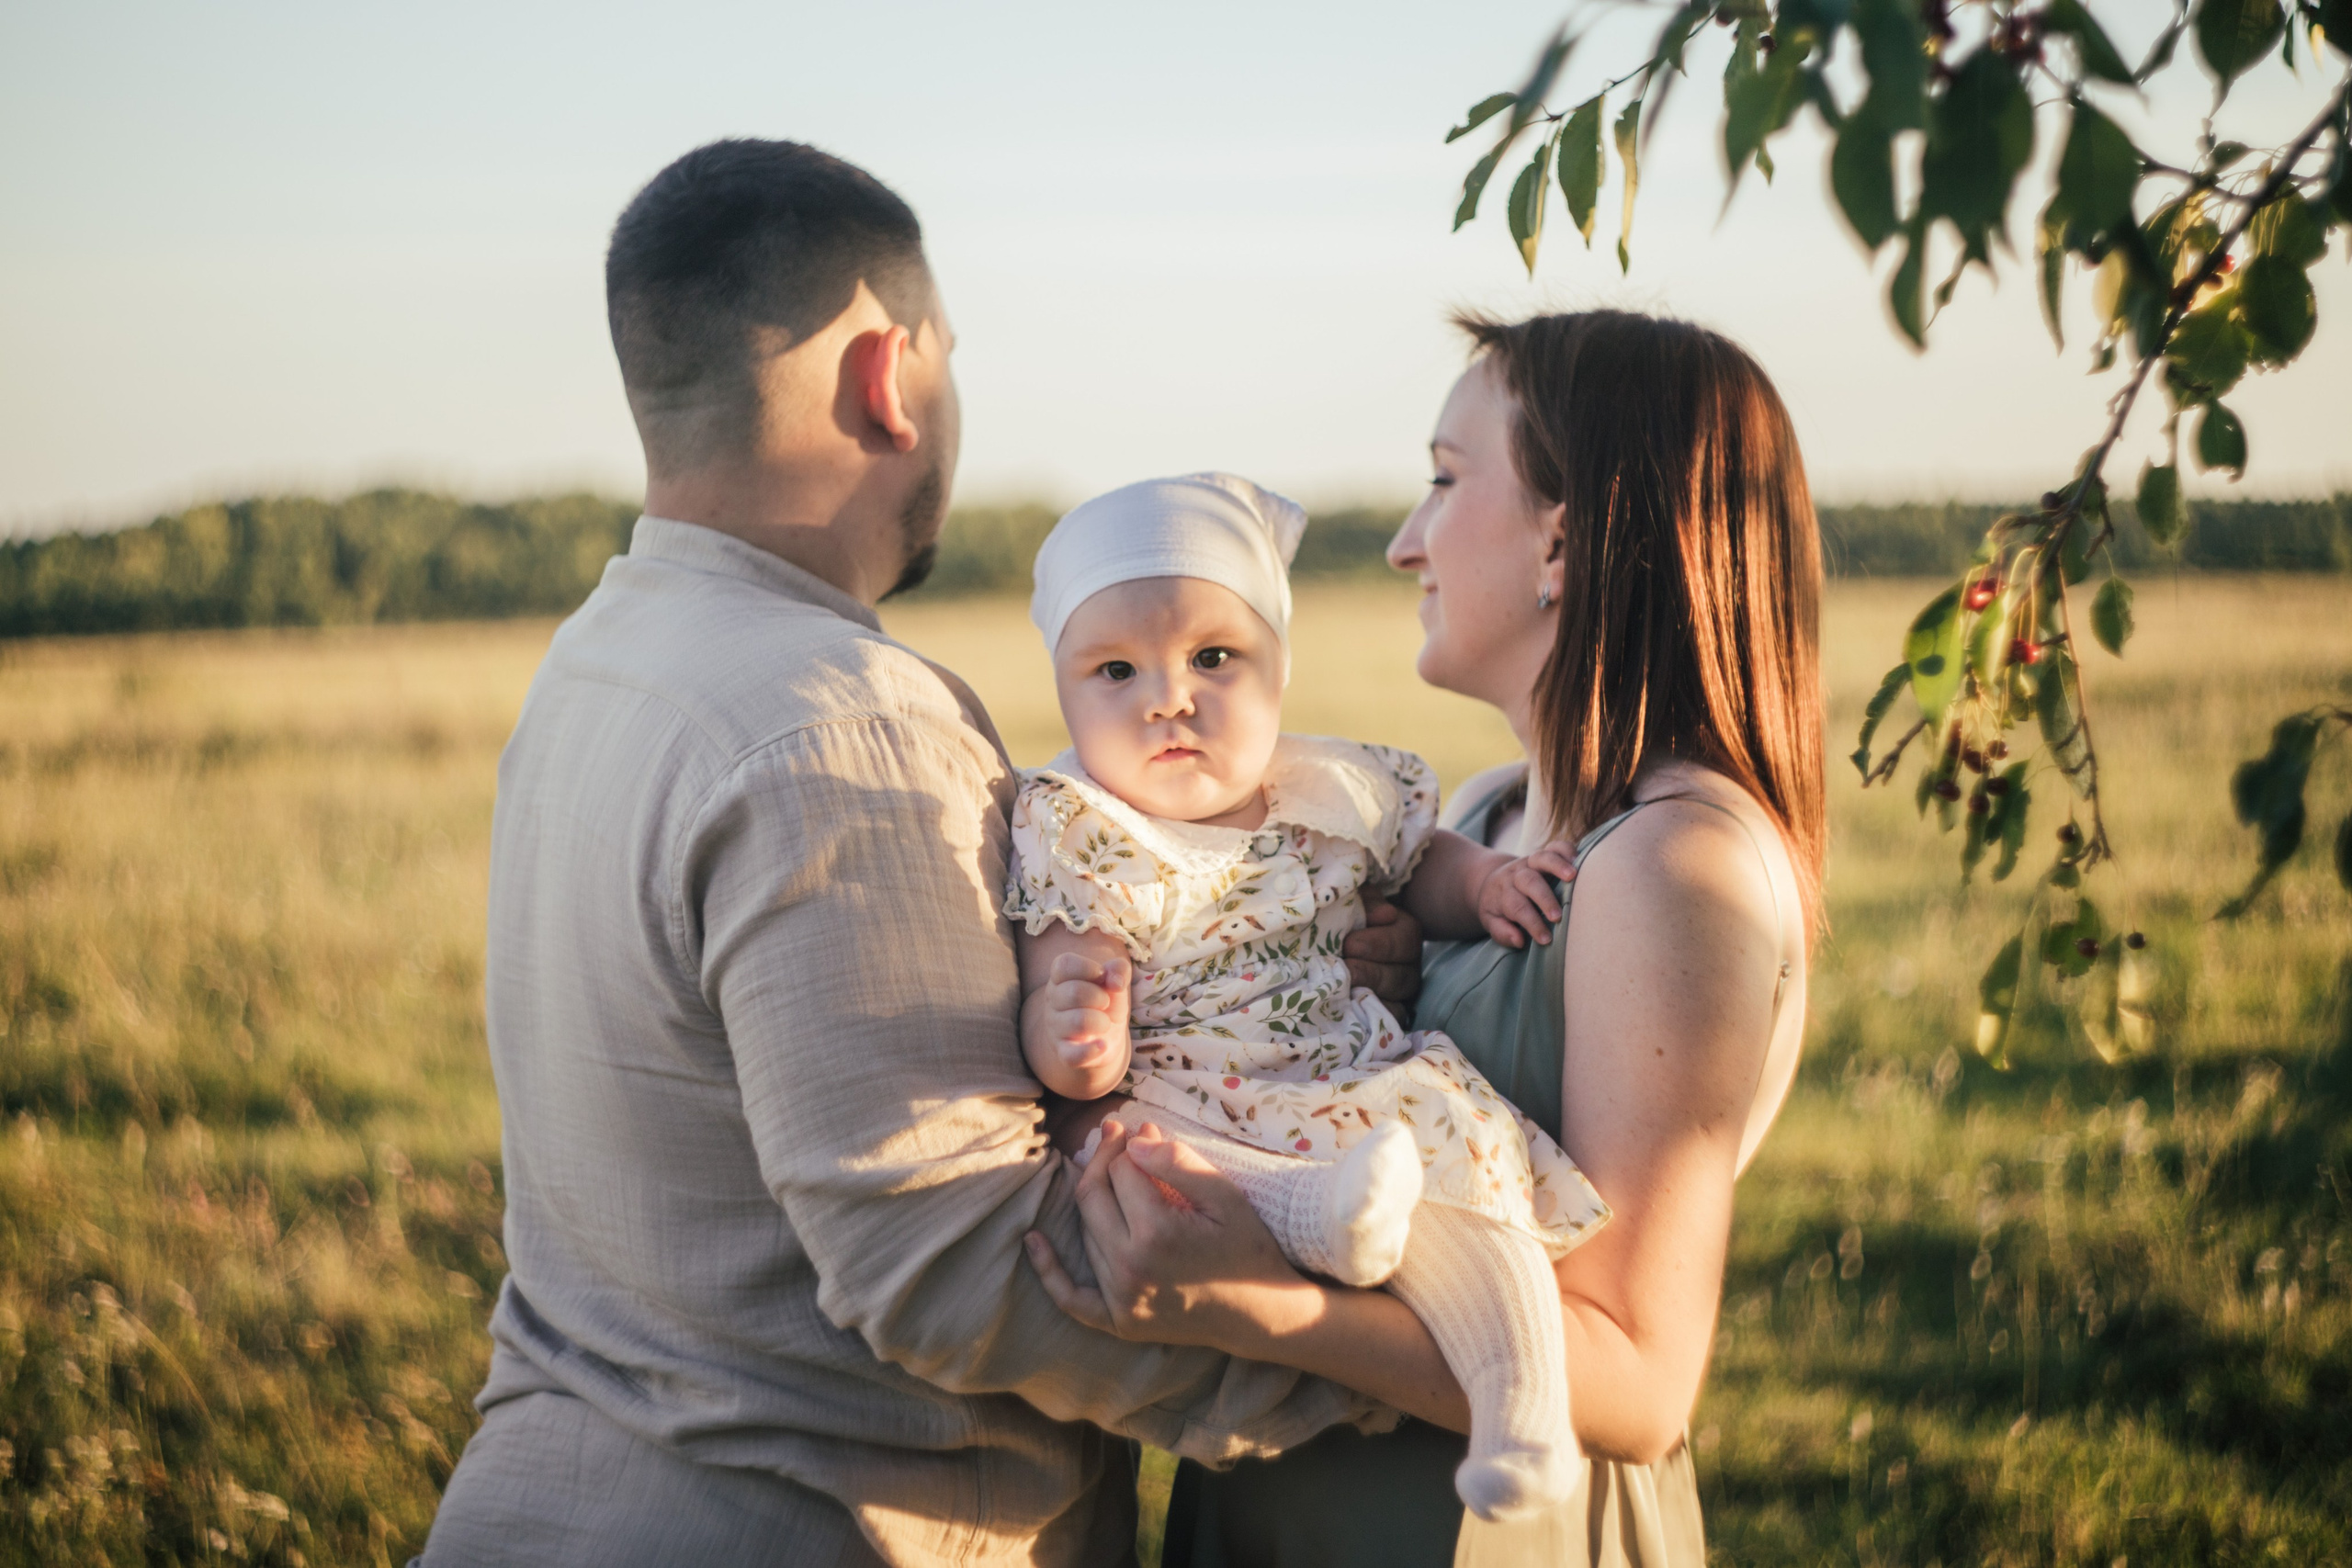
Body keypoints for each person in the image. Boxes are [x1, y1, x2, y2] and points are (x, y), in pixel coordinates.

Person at [416, 139, 1431, 1568]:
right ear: (890, 374)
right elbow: (951, 1263)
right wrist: (1395, 1372)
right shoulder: (838, 722)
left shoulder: (595, 662)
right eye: (952, 361)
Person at [1025, 309, 1824, 1567]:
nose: (1406, 543)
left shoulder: (1677, 863)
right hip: (1287, 1493)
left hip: (1481, 1529)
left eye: (1446, 481)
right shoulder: (1483, 818)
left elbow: (1640, 1375)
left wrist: (1261, 1302)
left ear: (1564, 537)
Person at [1006, 471, 1608, 1519]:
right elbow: (1060, 977)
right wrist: (1073, 1039)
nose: (1167, 698)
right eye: (1114, 670)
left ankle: (1526, 1417)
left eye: (1210, 659)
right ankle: (1326, 1216)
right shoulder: (1082, 829)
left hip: (1339, 1080)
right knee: (1138, 1148)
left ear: (1278, 671)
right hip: (1187, 1096)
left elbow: (1421, 864)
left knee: (1465, 1154)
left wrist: (1488, 886)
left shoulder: (1330, 793)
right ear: (1063, 693)